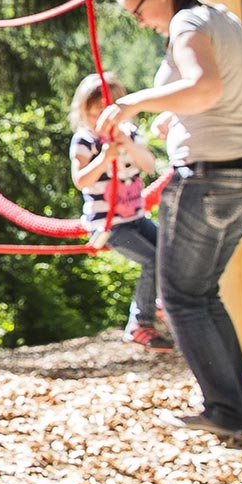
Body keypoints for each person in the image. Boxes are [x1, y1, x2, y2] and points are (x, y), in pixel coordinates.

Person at [94, 0, 242, 435]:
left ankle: (228, 412)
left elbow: (205, 87)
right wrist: (181, 113)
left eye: (138, 10)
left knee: (179, 299)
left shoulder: (187, 22)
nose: (140, 23)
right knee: (201, 295)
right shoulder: (226, 21)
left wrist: (133, 102)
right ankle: (238, 400)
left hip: (207, 176)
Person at [67, 71, 169, 350]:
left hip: (135, 217)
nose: (102, 116)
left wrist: (127, 144)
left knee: (171, 250)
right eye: (95, 110)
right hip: (108, 223)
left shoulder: (130, 135)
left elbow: (149, 166)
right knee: (152, 260)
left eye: (107, 109)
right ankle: (140, 322)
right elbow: (81, 180)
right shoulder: (85, 140)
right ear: (84, 112)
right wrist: (103, 159)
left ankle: (162, 302)